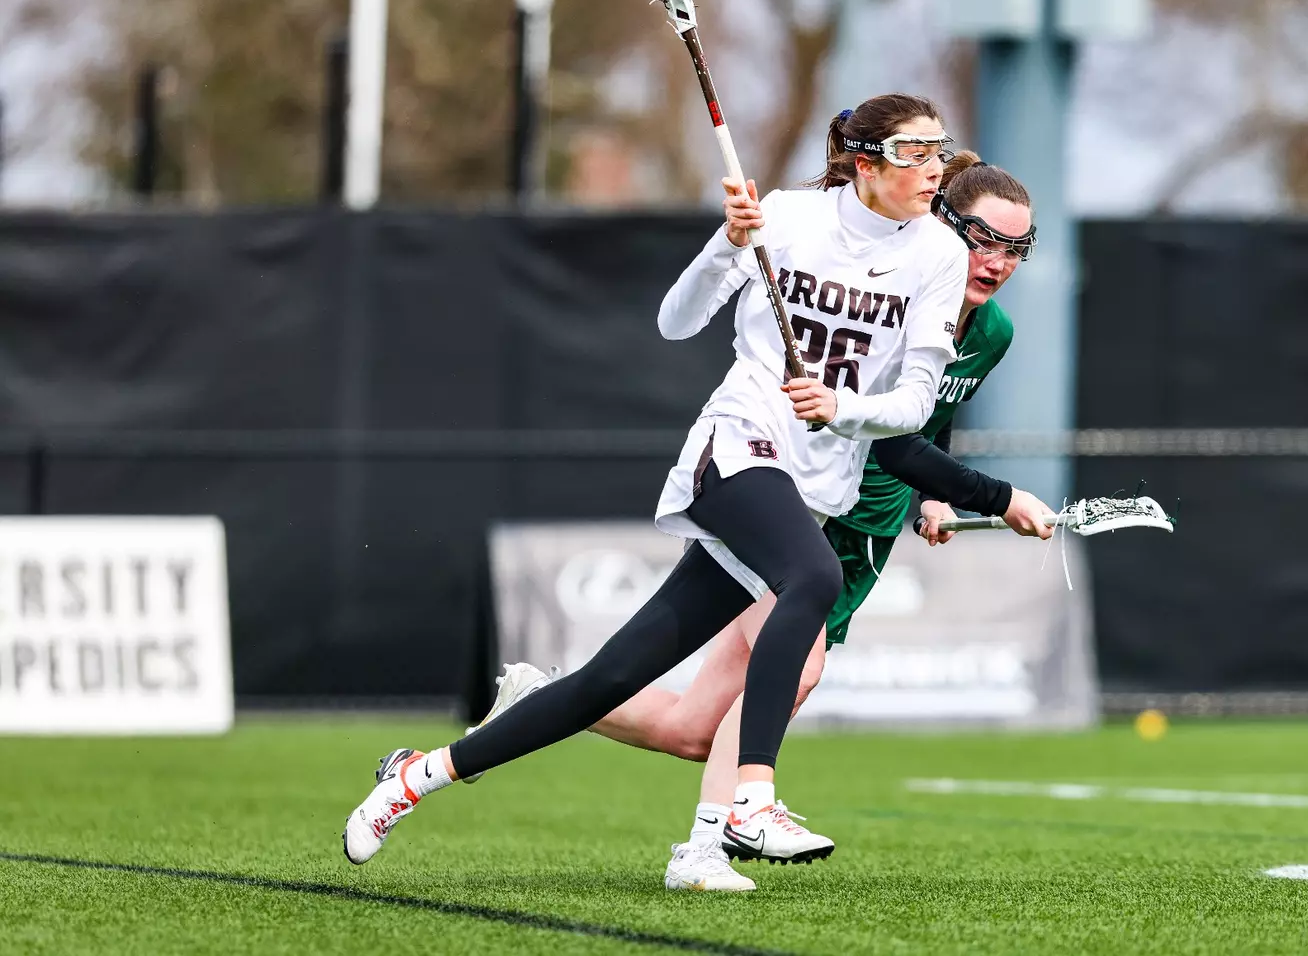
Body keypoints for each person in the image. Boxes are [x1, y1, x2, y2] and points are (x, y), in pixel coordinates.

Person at [342, 93, 977, 866]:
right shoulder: (788, 216)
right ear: (865, 160)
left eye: (938, 151)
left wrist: (842, 407)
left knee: (609, 679)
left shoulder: (940, 256)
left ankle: (420, 776)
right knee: (812, 577)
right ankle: (751, 799)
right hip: (737, 449)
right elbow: (676, 322)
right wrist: (728, 242)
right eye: (914, 152)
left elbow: (913, 405)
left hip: (810, 487)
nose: (932, 168)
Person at [476, 153, 1054, 892]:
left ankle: (544, 699)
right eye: (982, 239)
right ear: (939, 223)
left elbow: (930, 422)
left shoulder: (992, 332)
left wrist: (934, 499)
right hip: (805, 504)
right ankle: (713, 839)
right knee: (798, 670)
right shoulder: (894, 282)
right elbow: (893, 439)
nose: (996, 262)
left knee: (693, 728)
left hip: (869, 533)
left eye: (1015, 249)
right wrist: (995, 496)